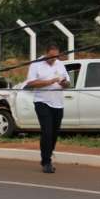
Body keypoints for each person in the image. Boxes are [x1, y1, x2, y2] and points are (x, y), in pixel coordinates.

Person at [25, 45, 71, 173]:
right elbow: (31, 83)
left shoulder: (60, 64)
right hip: (42, 101)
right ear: (46, 54)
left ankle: (48, 155)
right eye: (50, 57)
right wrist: (50, 81)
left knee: (55, 133)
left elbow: (68, 83)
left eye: (56, 57)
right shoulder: (36, 64)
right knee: (47, 131)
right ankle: (46, 161)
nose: (53, 59)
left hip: (58, 103)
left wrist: (64, 83)